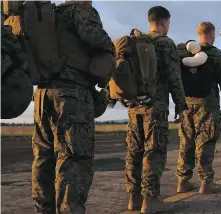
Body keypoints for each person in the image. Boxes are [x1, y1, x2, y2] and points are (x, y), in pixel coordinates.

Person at [30, 1, 115, 213]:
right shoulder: (81, 11)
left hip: (42, 94)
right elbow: (99, 41)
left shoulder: (49, 15)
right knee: (75, 159)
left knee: (44, 158)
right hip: (71, 93)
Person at [123, 6, 187, 213]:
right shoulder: (164, 43)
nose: (168, 27)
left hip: (134, 106)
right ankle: (151, 200)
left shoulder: (135, 42)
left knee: (134, 150)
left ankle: (134, 197)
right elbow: (174, 77)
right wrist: (180, 103)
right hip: (156, 106)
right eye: (168, 23)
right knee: (154, 149)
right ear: (163, 21)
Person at [175, 21, 221, 194]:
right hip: (207, 105)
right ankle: (206, 182)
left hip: (186, 104)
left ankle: (183, 180)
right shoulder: (216, 55)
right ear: (211, 34)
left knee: (186, 140)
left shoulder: (187, 52)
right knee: (206, 141)